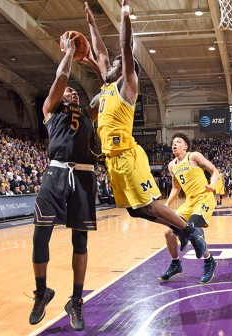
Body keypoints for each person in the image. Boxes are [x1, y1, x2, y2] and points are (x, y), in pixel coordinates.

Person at [85, 0, 207, 261]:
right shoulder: (106, 87)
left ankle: (191, 230)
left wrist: (125, 14)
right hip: (112, 159)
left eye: (117, 66)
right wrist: (91, 22)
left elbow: (124, 47)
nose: (110, 66)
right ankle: (180, 227)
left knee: (149, 205)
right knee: (135, 211)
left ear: (125, 72)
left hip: (129, 156)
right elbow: (101, 52)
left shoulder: (127, 86)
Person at [29, 31, 100, 332]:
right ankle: (42, 292)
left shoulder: (86, 114)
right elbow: (61, 77)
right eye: (68, 91)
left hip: (84, 177)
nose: (72, 93)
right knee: (39, 237)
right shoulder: (50, 110)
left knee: (80, 242)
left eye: (75, 92)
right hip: (55, 173)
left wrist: (95, 63)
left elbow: (108, 90)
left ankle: (76, 300)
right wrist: (70, 52)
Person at [160, 131, 219, 283]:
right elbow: (175, 189)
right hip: (189, 202)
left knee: (192, 229)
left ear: (185, 146)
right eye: (173, 142)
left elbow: (214, 171)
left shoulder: (193, 156)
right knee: (168, 232)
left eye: (178, 142)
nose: (175, 144)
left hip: (204, 198)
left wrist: (212, 185)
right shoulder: (172, 165)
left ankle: (209, 261)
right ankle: (175, 264)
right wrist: (166, 205)